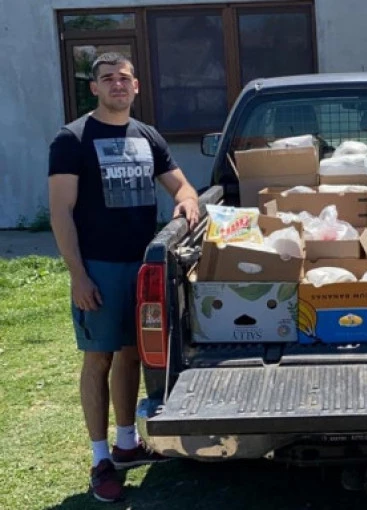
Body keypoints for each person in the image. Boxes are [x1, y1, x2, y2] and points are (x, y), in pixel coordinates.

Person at [48, 53, 200, 502]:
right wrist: (78, 275)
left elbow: (182, 185)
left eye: (124, 78)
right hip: (99, 267)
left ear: (136, 86)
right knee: (99, 359)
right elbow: (60, 211)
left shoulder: (147, 136)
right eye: (107, 78)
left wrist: (188, 201)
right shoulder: (73, 139)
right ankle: (100, 461)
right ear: (94, 87)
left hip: (144, 267)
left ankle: (127, 443)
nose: (117, 84)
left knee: (133, 354)